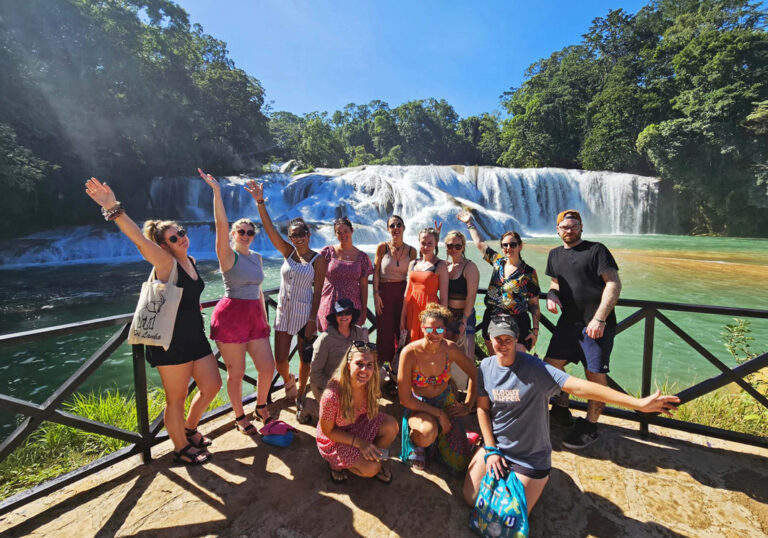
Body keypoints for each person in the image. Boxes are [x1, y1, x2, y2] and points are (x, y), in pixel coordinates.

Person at [462, 315, 679, 515]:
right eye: (498, 339)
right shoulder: (486, 367)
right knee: (470, 498)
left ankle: (535, 479)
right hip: (498, 446)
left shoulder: (536, 369)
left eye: (508, 339)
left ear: (516, 338)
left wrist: (637, 403)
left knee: (505, 516)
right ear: (489, 339)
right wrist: (491, 448)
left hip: (530, 456)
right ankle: (504, 470)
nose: (503, 345)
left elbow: (580, 387)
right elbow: (483, 409)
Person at [85, 177, 222, 465]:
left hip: (195, 336)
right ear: (163, 246)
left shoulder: (191, 261)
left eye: (181, 232)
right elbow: (138, 238)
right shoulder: (166, 264)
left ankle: (189, 428)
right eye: (173, 238)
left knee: (212, 385)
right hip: (169, 340)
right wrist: (112, 207)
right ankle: (181, 447)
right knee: (176, 398)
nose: (181, 238)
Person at [198, 170, 276, 433]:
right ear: (233, 234)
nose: (245, 234)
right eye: (241, 231)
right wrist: (216, 192)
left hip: (255, 316)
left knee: (267, 367)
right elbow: (220, 225)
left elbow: (259, 289)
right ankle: (240, 416)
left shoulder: (257, 257)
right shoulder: (227, 256)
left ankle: (261, 406)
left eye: (250, 232)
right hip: (231, 316)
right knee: (237, 372)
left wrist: (263, 317)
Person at [544, 209, 622, 450]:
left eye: (574, 226)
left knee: (594, 375)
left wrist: (599, 319)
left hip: (596, 325)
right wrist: (551, 294)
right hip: (568, 324)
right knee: (549, 367)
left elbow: (613, 283)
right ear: (557, 230)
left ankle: (590, 426)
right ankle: (561, 406)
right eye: (565, 227)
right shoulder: (554, 254)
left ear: (581, 227)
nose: (569, 230)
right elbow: (555, 283)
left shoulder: (596, 250)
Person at [247, 181, 327, 410]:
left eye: (301, 233)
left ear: (308, 234)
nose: (298, 238)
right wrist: (260, 202)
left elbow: (319, 292)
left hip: (304, 313)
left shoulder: (318, 260)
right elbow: (270, 230)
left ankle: (301, 394)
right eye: (293, 235)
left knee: (304, 358)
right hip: (283, 311)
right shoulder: (288, 253)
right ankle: (288, 379)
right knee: (280, 360)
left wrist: (312, 320)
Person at [398, 303, 477, 473]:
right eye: (429, 329)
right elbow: (404, 399)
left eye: (439, 329)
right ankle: (416, 441)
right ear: (422, 327)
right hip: (418, 405)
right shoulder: (409, 353)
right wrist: (439, 414)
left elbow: (475, 374)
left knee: (460, 464)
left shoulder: (451, 349)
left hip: (446, 401)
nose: (434, 334)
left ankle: (444, 442)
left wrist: (468, 405)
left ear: (445, 330)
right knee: (427, 432)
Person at [458, 210, 540, 355]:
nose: (508, 248)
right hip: (492, 320)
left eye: (513, 245)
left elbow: (534, 304)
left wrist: (535, 331)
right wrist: (470, 223)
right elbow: (480, 243)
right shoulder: (498, 262)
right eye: (505, 245)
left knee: (516, 364)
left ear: (520, 246)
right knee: (496, 362)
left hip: (517, 323)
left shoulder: (529, 272)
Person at [317, 343, 399, 484]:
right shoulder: (331, 396)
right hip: (336, 438)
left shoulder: (370, 384)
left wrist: (363, 444)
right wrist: (359, 443)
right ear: (348, 365)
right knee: (372, 469)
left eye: (369, 365)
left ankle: (370, 455)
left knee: (391, 426)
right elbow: (328, 431)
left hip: (359, 424)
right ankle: (336, 465)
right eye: (359, 364)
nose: (364, 370)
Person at [372, 215, 417, 367]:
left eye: (398, 225)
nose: (395, 228)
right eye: (392, 225)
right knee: (384, 332)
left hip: (404, 294)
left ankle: (398, 369)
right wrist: (375, 295)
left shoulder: (412, 251)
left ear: (404, 228)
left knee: (402, 330)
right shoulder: (382, 247)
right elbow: (376, 273)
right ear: (387, 229)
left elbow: (414, 275)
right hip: (384, 294)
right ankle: (380, 369)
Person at [317, 217, 373, 332]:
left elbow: (364, 286)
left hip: (352, 306)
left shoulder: (362, 257)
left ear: (352, 231)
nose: (343, 235)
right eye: (339, 232)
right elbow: (316, 276)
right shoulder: (327, 252)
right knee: (329, 337)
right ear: (335, 234)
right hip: (330, 303)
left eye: (345, 231)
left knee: (351, 339)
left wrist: (364, 310)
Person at [310, 298, 370, 401]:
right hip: (330, 386)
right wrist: (335, 387)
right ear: (335, 316)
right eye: (340, 313)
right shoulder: (324, 339)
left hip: (352, 384)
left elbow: (366, 359)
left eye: (347, 313)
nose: (344, 316)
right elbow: (315, 374)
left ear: (352, 315)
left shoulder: (359, 332)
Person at [443, 230, 480, 390]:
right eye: (450, 246)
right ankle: (450, 391)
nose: (453, 249)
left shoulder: (469, 267)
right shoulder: (445, 266)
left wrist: (464, 320)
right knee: (447, 357)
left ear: (463, 247)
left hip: (465, 317)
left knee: (467, 358)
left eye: (457, 246)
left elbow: (471, 296)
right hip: (448, 318)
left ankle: (471, 396)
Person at [400, 227, 449, 344]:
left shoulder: (441, 265)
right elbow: (407, 292)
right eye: (423, 243)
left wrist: (443, 321)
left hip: (431, 310)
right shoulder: (413, 263)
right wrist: (403, 315)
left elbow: (444, 297)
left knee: (429, 342)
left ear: (436, 243)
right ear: (419, 242)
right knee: (412, 343)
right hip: (413, 308)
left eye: (430, 243)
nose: (426, 247)